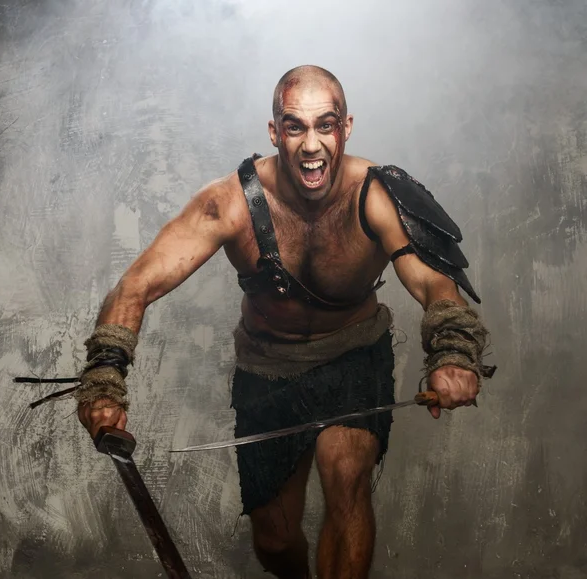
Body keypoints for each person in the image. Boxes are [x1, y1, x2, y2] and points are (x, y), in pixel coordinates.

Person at [76, 65, 495, 579]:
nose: (311, 144)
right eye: (295, 127)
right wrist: (103, 381)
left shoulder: (375, 194)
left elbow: (434, 284)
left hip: (353, 355)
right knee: (274, 540)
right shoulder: (228, 203)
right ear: (275, 133)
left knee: (347, 480)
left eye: (326, 124)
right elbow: (135, 286)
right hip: (267, 366)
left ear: (346, 128)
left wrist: (453, 353)